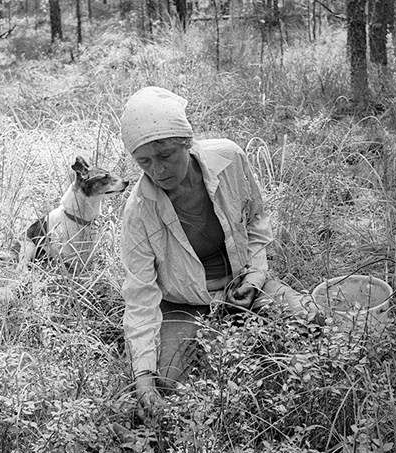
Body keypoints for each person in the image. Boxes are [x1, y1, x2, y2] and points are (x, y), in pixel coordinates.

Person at [119, 86, 321, 418]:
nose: (157, 171)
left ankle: (246, 331)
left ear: (186, 141)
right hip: (184, 305)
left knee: (312, 321)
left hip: (243, 283)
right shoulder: (139, 211)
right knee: (169, 384)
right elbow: (140, 296)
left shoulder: (229, 158)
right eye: (144, 162)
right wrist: (142, 376)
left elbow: (256, 220)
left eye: (166, 155)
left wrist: (255, 277)